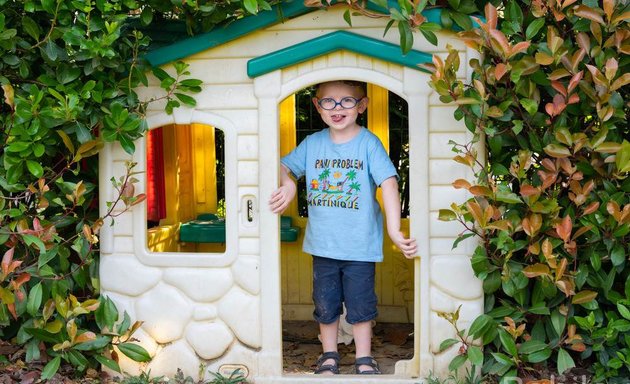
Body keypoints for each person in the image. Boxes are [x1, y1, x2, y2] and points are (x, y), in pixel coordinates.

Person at [269, 80, 417, 375]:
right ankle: (329, 355)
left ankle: (364, 357)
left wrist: (393, 229)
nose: (337, 108)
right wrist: (288, 183)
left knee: (361, 305)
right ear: (317, 106)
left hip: (360, 246)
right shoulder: (313, 144)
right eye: (329, 102)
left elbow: (388, 182)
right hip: (323, 245)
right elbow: (283, 166)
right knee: (326, 304)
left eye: (347, 101)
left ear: (361, 106)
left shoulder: (368, 143)